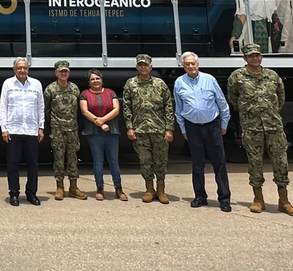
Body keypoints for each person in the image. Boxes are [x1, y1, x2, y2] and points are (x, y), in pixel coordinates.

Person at [227, 43, 293, 216]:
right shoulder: (237, 77)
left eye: (258, 55)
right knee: (255, 162)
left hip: (273, 125)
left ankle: (284, 201)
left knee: (281, 162)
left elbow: (280, 97)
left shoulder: (272, 76)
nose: (255, 58)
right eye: (251, 55)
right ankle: (258, 199)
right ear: (245, 58)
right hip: (252, 127)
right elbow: (233, 99)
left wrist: (269, 112)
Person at [174, 52, 232, 211]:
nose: (191, 66)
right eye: (187, 64)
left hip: (212, 126)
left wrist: (224, 124)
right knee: (197, 164)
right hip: (192, 127)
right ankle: (200, 196)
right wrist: (183, 129)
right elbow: (178, 109)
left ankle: (224, 198)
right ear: (183, 66)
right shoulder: (179, 83)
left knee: (219, 162)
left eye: (193, 63)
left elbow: (222, 104)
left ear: (197, 64)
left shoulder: (210, 80)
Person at [121, 53, 175, 203]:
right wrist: (129, 127)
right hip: (140, 130)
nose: (143, 67)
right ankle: (149, 189)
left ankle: (161, 190)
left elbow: (168, 107)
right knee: (145, 160)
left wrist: (169, 128)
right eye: (140, 65)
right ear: (137, 67)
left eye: (146, 65)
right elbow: (126, 108)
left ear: (150, 67)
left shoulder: (160, 84)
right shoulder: (130, 84)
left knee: (161, 161)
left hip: (159, 129)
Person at [0, 56, 44, 206]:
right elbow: (3, 107)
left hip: (31, 130)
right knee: (13, 164)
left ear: (28, 69)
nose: (22, 70)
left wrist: (41, 127)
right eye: (19, 68)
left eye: (25, 67)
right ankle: (14, 194)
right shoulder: (7, 84)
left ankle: (31, 193)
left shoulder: (36, 84)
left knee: (33, 164)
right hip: (13, 129)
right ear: (14, 69)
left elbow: (40, 107)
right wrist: (4, 128)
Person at [79, 69, 127, 201]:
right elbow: (85, 111)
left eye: (97, 78)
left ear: (102, 80)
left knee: (114, 161)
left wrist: (103, 120)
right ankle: (99, 188)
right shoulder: (84, 94)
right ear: (89, 82)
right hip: (93, 133)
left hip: (112, 132)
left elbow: (116, 109)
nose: (95, 81)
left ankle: (119, 188)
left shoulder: (110, 93)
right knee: (98, 161)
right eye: (92, 79)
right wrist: (99, 123)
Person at [44, 60, 85, 200]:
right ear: (56, 73)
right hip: (57, 130)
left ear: (69, 73)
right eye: (61, 71)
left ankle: (73, 187)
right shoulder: (50, 89)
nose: (63, 73)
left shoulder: (74, 88)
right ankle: (59, 187)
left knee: (73, 158)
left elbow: (78, 109)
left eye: (65, 71)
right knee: (59, 159)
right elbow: (46, 110)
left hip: (72, 129)